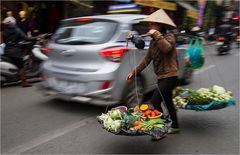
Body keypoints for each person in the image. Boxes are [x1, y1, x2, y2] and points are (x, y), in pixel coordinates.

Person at [126, 9, 180, 139]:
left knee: (155, 101)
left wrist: (156, 34)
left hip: (171, 76)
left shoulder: (169, 37)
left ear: (159, 25)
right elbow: (146, 60)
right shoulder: (153, 43)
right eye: (149, 25)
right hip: (161, 77)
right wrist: (134, 72)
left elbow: (166, 48)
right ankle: (176, 126)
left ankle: (160, 131)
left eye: (152, 24)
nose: (149, 27)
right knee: (168, 102)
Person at [2, 16, 39, 87]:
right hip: (15, 52)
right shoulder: (17, 29)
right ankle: (24, 82)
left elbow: (5, 41)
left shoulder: (4, 31)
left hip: (7, 51)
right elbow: (26, 38)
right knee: (21, 66)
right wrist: (36, 38)